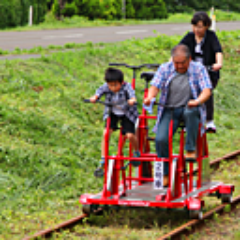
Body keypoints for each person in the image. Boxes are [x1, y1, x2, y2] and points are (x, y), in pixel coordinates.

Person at [144, 44, 212, 186]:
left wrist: (197, 101)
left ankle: (190, 149)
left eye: (183, 63)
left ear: (189, 59)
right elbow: (155, 86)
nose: (180, 66)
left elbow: (207, 89)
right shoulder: (165, 68)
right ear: (172, 60)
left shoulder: (198, 69)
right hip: (170, 109)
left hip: (190, 107)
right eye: (176, 63)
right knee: (161, 139)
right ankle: (166, 174)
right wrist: (150, 97)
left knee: (191, 111)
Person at [90, 67, 140, 177]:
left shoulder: (126, 86)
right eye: (110, 85)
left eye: (115, 85)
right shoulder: (107, 87)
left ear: (121, 83)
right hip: (112, 112)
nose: (112, 88)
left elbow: (132, 95)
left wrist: (132, 100)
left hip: (127, 113)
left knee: (130, 135)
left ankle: (136, 151)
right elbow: (99, 91)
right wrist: (95, 97)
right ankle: (103, 158)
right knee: (106, 133)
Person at [179, 11, 223, 132]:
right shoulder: (189, 37)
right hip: (192, 73)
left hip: (208, 72)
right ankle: (187, 121)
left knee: (206, 92)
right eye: (194, 26)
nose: (196, 29)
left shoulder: (211, 36)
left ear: (206, 26)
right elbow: (179, 50)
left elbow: (218, 51)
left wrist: (218, 63)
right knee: (186, 92)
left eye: (199, 27)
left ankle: (209, 121)